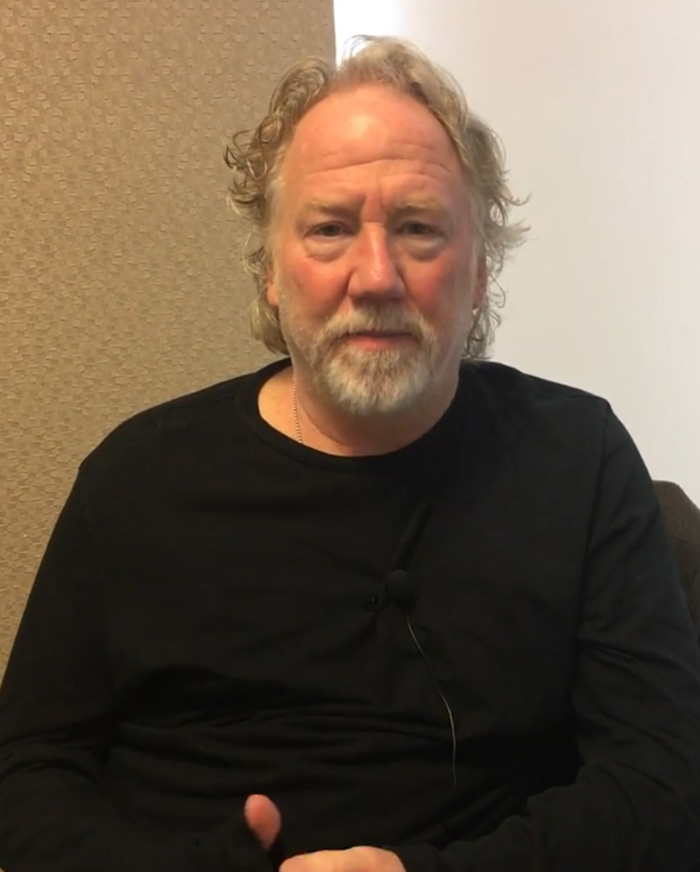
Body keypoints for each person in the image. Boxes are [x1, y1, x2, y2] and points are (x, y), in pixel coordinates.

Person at [1, 34, 699, 872]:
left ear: (479, 269)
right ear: (272, 269)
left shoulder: (580, 462)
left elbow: (662, 783)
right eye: (331, 229)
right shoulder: (134, 478)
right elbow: (26, 778)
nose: (375, 275)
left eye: (418, 228)